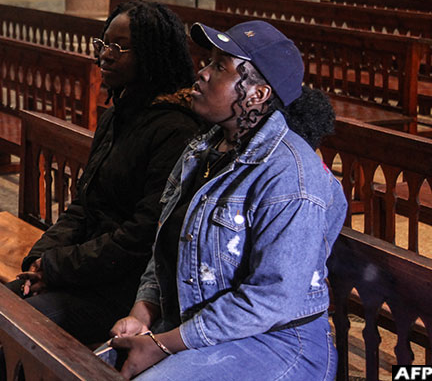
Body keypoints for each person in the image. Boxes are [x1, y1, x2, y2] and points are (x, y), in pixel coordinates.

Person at [109, 21, 346, 380]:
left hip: (277, 342)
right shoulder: (201, 149)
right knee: (86, 368)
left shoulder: (289, 174)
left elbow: (271, 299)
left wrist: (163, 344)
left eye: (220, 66)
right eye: (208, 62)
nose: (201, 73)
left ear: (258, 93)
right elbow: (166, 248)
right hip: (199, 325)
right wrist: (142, 314)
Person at [8, 0, 201, 345]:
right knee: (0, 298)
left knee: (21, 324)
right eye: (103, 44)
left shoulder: (175, 129)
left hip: (128, 289)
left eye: (119, 47)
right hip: (87, 270)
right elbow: (83, 204)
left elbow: (140, 237)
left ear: (152, 54)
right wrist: (41, 259)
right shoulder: (117, 114)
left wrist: (57, 268)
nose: (105, 55)